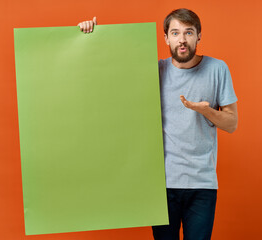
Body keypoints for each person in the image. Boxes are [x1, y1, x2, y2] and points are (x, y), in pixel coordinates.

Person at [78, 8, 238, 240]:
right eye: (175, 33)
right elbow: (107, 74)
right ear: (166, 38)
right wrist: (89, 36)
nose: (182, 40)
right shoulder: (154, 71)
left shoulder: (217, 69)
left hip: (202, 184)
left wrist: (206, 111)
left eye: (188, 32)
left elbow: (232, 124)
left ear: (199, 36)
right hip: (161, 186)